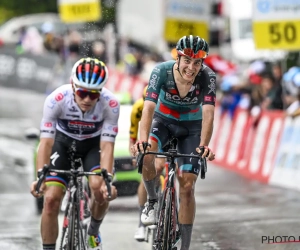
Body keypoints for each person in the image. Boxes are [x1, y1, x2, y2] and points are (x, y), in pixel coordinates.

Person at [131, 35, 216, 250]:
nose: (191, 67)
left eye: (197, 62)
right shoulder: (161, 71)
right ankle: (151, 201)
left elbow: (208, 114)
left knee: (187, 186)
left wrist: (204, 145)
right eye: (187, 60)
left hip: (192, 128)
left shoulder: (208, 76)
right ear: (177, 58)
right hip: (164, 122)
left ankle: (185, 246)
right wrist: (142, 141)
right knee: (148, 153)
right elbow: (148, 108)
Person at [30, 57, 119, 250]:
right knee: (51, 199)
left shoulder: (110, 104)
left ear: (101, 92)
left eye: (93, 95)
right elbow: (45, 142)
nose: (87, 99)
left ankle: (93, 231)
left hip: (92, 146)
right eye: (82, 92)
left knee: (99, 188)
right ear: (72, 85)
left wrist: (107, 180)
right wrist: (40, 176)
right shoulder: (56, 99)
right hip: (62, 144)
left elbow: (107, 146)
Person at [129, 86, 166, 241]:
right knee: (146, 169)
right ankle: (141, 223)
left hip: (163, 135)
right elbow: (133, 133)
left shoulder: (166, 108)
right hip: (146, 137)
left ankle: (168, 200)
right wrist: (133, 151)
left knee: (160, 167)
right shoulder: (138, 108)